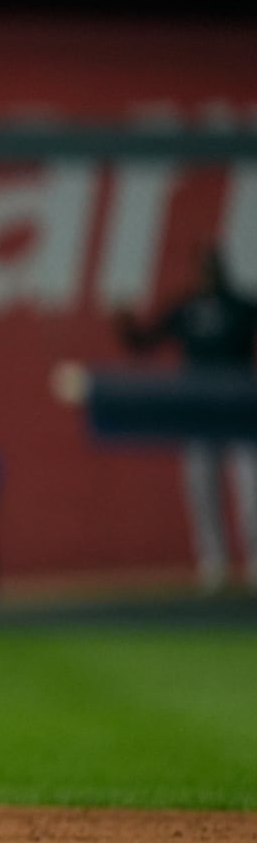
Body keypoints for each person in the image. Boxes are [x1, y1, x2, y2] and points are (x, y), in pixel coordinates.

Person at [116, 245, 257, 592]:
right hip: (199, 411)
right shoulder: (187, 308)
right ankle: (214, 564)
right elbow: (143, 342)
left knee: (250, 488)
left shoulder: (240, 306)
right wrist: (123, 324)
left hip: (240, 410)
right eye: (203, 269)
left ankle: (254, 562)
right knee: (201, 488)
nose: (208, 276)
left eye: (213, 269)